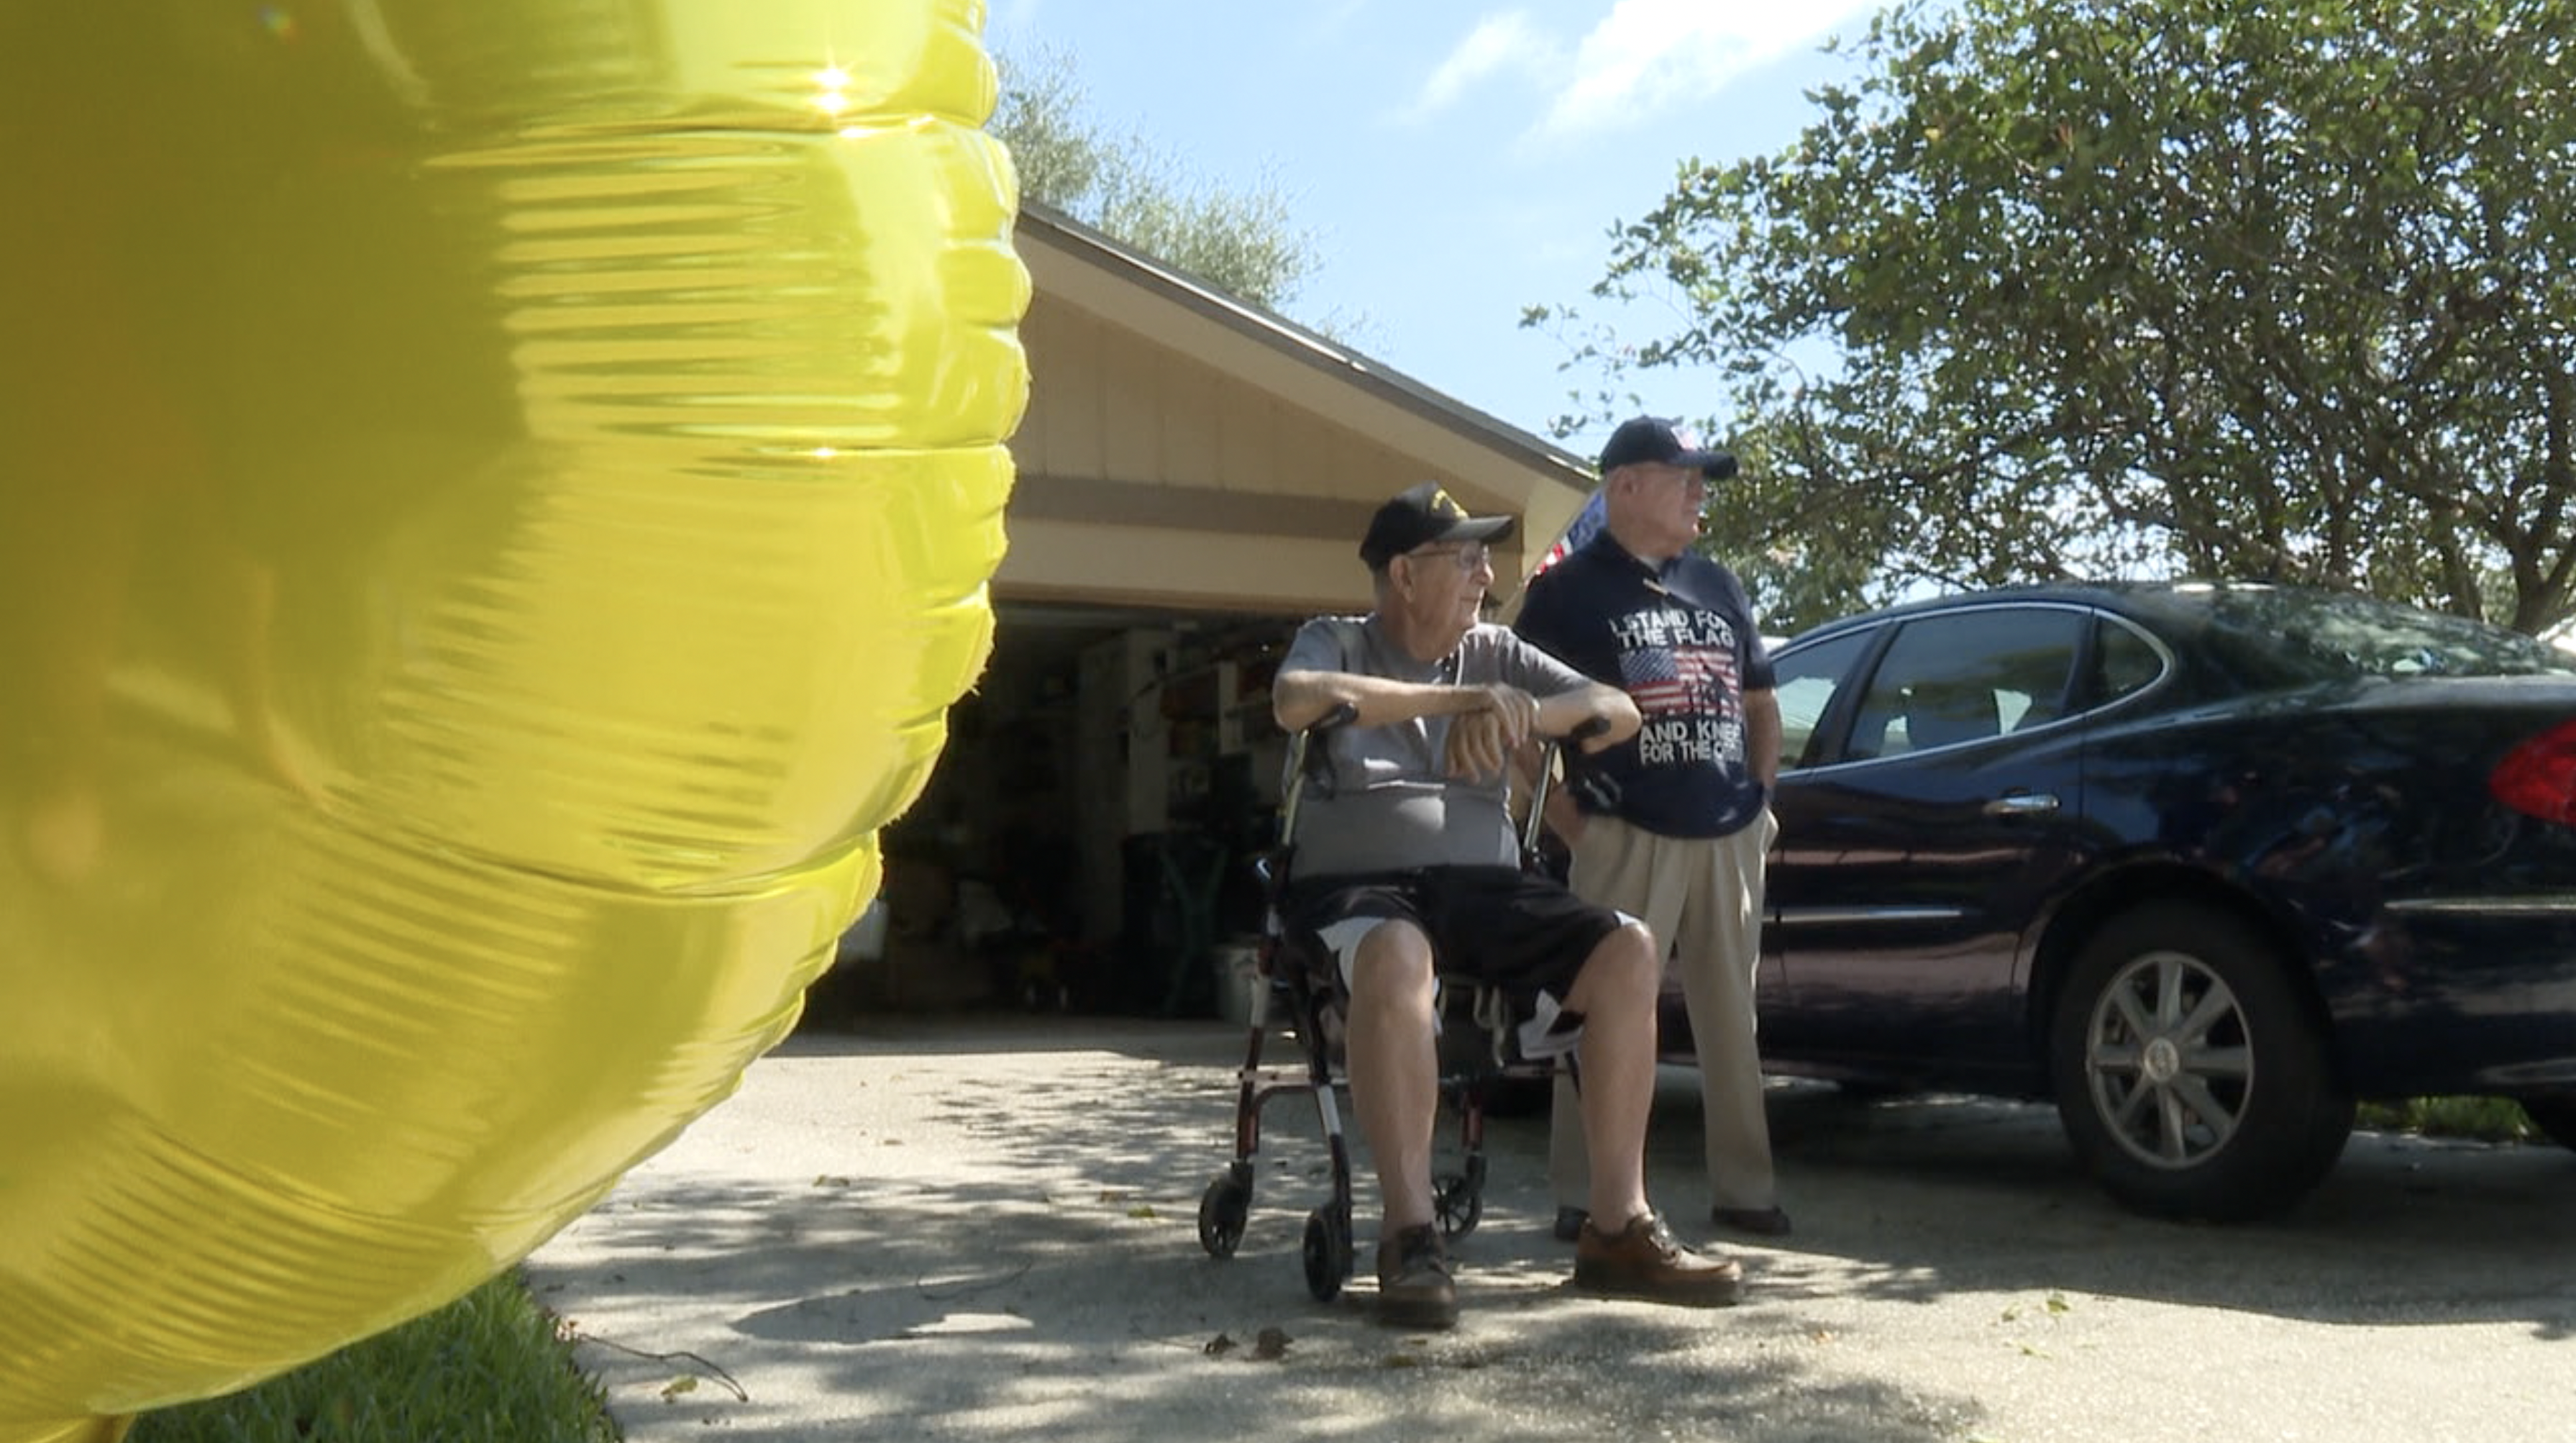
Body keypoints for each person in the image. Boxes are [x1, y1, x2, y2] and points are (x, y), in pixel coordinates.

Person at [1269, 480, 1746, 1330]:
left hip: (1483, 885)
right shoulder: (1339, 637)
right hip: (1358, 885)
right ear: (1407, 574)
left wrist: (1526, 710)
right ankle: (1411, 1234)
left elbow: (1618, 708)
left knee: (1628, 948)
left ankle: (1617, 1224)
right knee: (1398, 949)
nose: (1487, 577)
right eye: (1468, 559)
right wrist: (1461, 703)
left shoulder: (1496, 651)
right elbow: (1295, 699)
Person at [1513, 417, 1790, 1242]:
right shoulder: (1565, 593)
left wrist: (1762, 803)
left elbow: (1761, 704)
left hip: (1728, 832)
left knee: (1731, 1020)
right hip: (1622, 832)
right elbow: (1521, 725)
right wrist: (1569, 821)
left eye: (1702, 477)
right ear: (1625, 486)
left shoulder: (1720, 584)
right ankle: (1586, 1193)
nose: (1699, 492)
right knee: (1598, 1009)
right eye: (1684, 476)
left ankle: (1746, 1188)